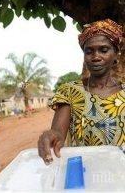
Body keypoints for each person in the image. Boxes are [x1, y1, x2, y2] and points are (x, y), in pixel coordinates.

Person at [38, 19, 125, 165]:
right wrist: (50, 135)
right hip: (83, 175)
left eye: (103, 50)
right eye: (89, 51)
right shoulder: (70, 92)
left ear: (116, 55)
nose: (96, 57)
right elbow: (58, 132)